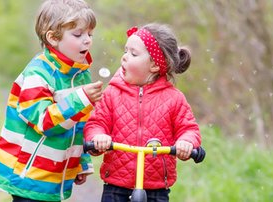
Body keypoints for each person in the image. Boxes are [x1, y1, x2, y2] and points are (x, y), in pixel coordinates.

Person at [0, 0, 103, 201]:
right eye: (78, 34)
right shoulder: (38, 74)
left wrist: (82, 162)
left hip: (54, 177)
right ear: (52, 38)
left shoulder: (79, 75)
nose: (87, 40)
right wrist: (81, 98)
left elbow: (79, 124)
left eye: (90, 34)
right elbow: (45, 122)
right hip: (28, 175)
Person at [84, 23, 202, 202]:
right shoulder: (112, 93)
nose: (124, 57)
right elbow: (96, 123)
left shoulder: (174, 98)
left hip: (156, 188)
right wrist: (98, 137)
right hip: (117, 184)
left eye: (133, 54)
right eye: (125, 51)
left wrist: (186, 143)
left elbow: (189, 129)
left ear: (154, 65)